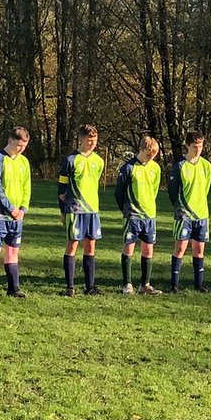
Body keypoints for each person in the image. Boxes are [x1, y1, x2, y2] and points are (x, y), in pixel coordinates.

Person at [0, 126, 32, 300]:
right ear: (10, 141)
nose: (21, 149)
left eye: (24, 146)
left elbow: (27, 188)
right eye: (18, 145)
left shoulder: (24, 162)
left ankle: (13, 288)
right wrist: (11, 208)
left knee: (13, 251)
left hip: (17, 216)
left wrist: (23, 208)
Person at [58, 124, 106, 296]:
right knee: (72, 246)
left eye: (95, 140)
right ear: (81, 139)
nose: (92, 143)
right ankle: (69, 287)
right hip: (75, 209)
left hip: (92, 210)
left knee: (90, 247)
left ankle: (89, 286)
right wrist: (63, 211)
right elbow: (61, 187)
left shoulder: (99, 161)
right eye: (89, 140)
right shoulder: (70, 160)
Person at [115, 135, 163, 295]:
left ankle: (145, 284)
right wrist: (127, 210)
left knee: (148, 249)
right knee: (129, 247)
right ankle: (127, 284)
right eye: (149, 154)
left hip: (149, 215)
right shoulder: (128, 168)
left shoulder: (155, 168)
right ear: (141, 149)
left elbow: (154, 190)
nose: (151, 158)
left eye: (154, 155)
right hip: (132, 215)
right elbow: (119, 193)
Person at [167, 130, 211, 293]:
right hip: (184, 214)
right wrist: (180, 207)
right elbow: (173, 191)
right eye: (195, 146)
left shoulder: (206, 166)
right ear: (187, 146)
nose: (198, 149)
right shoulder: (179, 166)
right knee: (180, 247)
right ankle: (174, 283)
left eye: (200, 146)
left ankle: (198, 283)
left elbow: (206, 188)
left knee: (199, 249)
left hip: (201, 214)